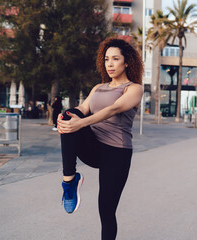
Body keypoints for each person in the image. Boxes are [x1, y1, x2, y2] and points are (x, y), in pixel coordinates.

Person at [57, 37, 143, 240]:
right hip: (94, 146)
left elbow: (114, 108)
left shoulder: (134, 89)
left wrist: (82, 123)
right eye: (106, 59)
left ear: (127, 62)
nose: (110, 64)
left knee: (106, 210)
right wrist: (67, 118)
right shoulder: (98, 87)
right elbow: (82, 108)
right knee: (69, 115)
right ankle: (69, 181)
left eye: (115, 59)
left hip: (117, 153)